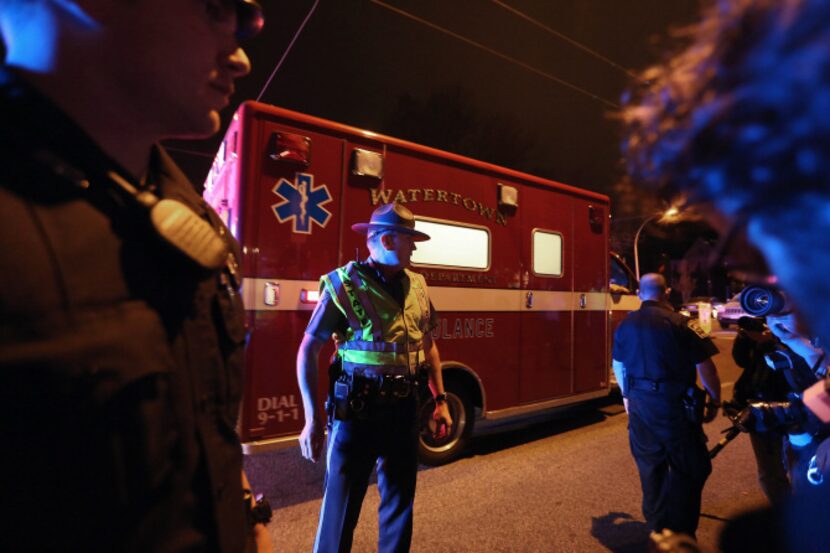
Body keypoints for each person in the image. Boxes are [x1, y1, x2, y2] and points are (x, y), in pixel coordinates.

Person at [0, 1, 271, 551]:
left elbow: (204, 427)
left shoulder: (186, 219)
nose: (242, 57)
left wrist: (249, 518)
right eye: (220, 10)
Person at [297, 202, 453, 553]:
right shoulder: (342, 285)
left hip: (404, 412)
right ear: (385, 240)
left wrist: (439, 401)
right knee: (340, 510)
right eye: (409, 239)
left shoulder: (418, 285)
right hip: (358, 412)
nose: (414, 247)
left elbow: (428, 348)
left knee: (399, 507)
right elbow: (308, 350)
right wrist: (311, 418)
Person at [612, 273, 721, 538]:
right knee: (692, 466)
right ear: (668, 292)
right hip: (673, 407)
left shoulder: (625, 325)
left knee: (650, 468)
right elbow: (706, 366)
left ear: (639, 293)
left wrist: (628, 400)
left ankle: (657, 528)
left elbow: (619, 365)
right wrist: (715, 400)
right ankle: (682, 532)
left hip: (639, 405)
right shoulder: (682, 323)